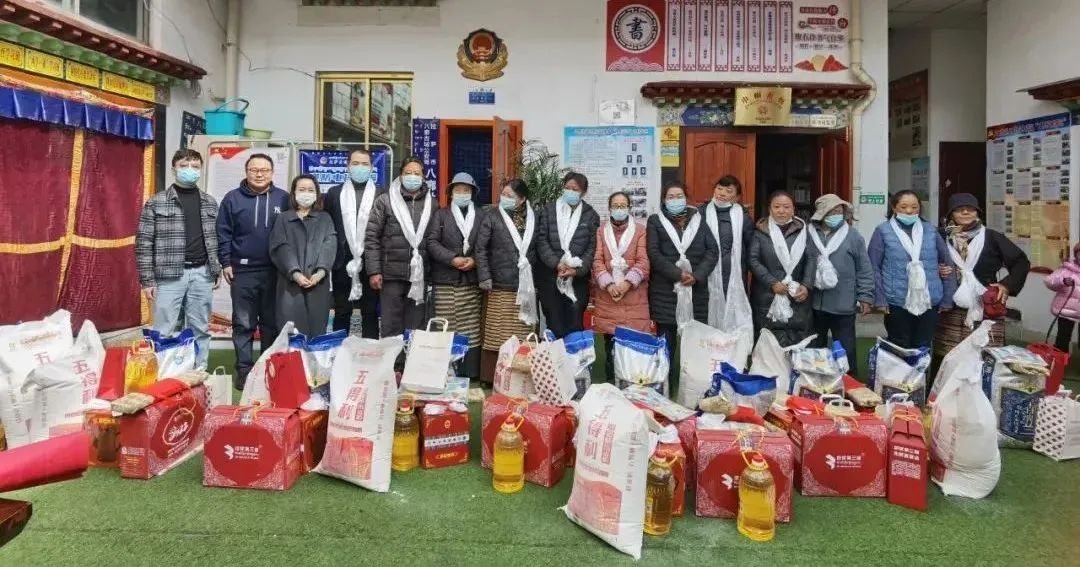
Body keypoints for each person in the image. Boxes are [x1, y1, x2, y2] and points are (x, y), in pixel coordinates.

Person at [135, 148, 220, 370]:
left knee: (200, 328)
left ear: (201, 169)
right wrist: (147, 280)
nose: (189, 170)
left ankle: (199, 371)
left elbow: (215, 239)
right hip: (168, 276)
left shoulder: (210, 202)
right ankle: (162, 373)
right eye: (184, 165)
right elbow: (144, 243)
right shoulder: (156, 202)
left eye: (195, 166)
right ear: (174, 169)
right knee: (164, 329)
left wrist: (216, 268)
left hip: (202, 274)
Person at [217, 153, 290, 388]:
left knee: (271, 324)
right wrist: (226, 262)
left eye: (264, 170)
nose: (259, 174)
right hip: (242, 271)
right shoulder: (232, 199)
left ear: (272, 173)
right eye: (254, 170)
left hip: (275, 272)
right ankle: (244, 371)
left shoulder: (284, 198)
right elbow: (223, 233)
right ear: (246, 172)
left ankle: (267, 369)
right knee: (243, 323)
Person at [934, 193, 1031, 356]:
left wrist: (1006, 285)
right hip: (949, 305)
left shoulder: (993, 237)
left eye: (970, 209)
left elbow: (1021, 262)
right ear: (951, 214)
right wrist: (936, 269)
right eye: (959, 209)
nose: (965, 212)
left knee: (983, 354)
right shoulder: (940, 236)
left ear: (977, 212)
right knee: (947, 355)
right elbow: (924, 261)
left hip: (985, 303)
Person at [647, 181, 719, 385]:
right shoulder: (655, 221)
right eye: (670, 197)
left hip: (696, 290)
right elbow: (654, 253)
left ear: (686, 198)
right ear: (664, 200)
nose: (675, 200)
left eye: (679, 196)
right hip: (665, 291)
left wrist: (697, 275)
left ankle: (693, 385)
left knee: (695, 342)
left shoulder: (699, 219)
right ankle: (665, 384)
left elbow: (712, 251)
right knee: (666, 342)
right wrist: (678, 274)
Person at [868, 190, 956, 350]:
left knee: (923, 345)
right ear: (894, 208)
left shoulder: (931, 230)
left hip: (929, 299)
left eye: (914, 207)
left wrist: (947, 298)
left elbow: (947, 263)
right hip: (896, 300)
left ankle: (922, 368)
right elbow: (873, 267)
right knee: (899, 345)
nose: (909, 211)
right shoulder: (882, 231)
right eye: (904, 206)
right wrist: (879, 299)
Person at [476, 179, 539, 381]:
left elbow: (538, 248)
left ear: (522, 199)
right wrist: (485, 276)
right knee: (497, 332)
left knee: (521, 331)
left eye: (510, 196)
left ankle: (520, 376)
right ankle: (492, 377)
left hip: (525, 286)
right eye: (503, 194)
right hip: (498, 283)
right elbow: (480, 249)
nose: (505, 198)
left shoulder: (534, 219)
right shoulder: (492, 216)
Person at [364, 157, 434, 338]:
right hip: (390, 275)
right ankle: (392, 358)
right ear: (400, 175)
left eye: (417, 173)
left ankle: (410, 357)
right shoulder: (385, 201)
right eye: (408, 173)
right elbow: (371, 237)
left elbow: (434, 240)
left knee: (415, 328)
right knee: (391, 327)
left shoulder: (432, 204)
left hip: (419, 276)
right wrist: (374, 271)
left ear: (423, 177)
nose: (412, 177)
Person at [807, 194, 874, 374]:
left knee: (846, 349)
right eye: (831, 211)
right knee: (815, 348)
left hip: (843, 303)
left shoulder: (853, 236)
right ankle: (816, 382)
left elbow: (864, 268)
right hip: (814, 303)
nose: (836, 214)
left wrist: (865, 296)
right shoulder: (808, 234)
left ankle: (848, 382)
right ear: (821, 213)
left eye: (839, 211)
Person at [425, 172, 483, 378]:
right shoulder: (441, 215)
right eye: (458, 190)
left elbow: (487, 244)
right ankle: (444, 371)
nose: (462, 193)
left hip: (471, 282)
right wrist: (452, 259)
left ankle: (470, 372)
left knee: (471, 328)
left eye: (466, 190)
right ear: (451, 193)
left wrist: (475, 260)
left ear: (472, 193)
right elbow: (431, 242)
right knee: (445, 325)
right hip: (445, 280)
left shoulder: (482, 216)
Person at [592, 191, 651, 381]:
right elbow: (597, 261)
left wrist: (626, 284)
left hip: (634, 297)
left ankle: (632, 387)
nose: (619, 209)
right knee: (610, 346)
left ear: (629, 208)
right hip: (608, 298)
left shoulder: (640, 231)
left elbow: (644, 262)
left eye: (623, 206)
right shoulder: (601, 231)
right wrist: (609, 284)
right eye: (615, 206)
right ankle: (611, 384)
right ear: (609, 209)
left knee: (633, 349)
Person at [324, 148, 383, 338]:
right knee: (342, 310)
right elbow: (328, 226)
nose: (360, 167)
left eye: (365, 164)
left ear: (371, 167)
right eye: (355, 163)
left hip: (371, 261)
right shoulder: (334, 193)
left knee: (370, 311)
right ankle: (339, 350)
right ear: (348, 166)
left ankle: (370, 352)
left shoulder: (381, 193)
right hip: (342, 261)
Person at [269, 175, 337, 337]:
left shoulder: (325, 218)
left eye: (310, 190)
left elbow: (330, 245)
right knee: (291, 331)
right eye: (302, 189)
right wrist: (295, 273)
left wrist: (320, 272)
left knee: (317, 330)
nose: (306, 193)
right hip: (290, 284)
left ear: (317, 194)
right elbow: (280, 247)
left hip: (318, 283)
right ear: (294, 193)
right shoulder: (283, 218)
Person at [535, 172, 601, 338]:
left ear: (584, 192)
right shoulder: (548, 210)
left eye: (575, 189)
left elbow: (592, 247)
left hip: (577, 280)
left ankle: (574, 354)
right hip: (551, 277)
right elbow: (541, 241)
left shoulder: (591, 215)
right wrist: (557, 264)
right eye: (567, 188)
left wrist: (577, 270)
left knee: (574, 324)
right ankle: (555, 354)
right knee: (554, 323)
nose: (570, 192)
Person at [749, 191, 817, 347]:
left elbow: (812, 258)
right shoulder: (760, 231)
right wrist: (772, 283)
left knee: (797, 341)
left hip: (797, 293)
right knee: (769, 342)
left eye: (786, 207)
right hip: (767, 294)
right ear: (770, 209)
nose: (781, 211)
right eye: (777, 207)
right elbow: (753, 260)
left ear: (793, 210)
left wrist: (806, 285)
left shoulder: (803, 231)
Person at [702, 174, 754, 332]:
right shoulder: (700, 213)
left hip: (734, 276)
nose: (722, 193)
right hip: (706, 275)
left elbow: (750, 248)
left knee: (733, 317)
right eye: (719, 188)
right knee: (707, 313)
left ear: (737, 197)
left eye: (729, 191)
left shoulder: (743, 218)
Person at [1045, 242, 1080, 354]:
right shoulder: (1067, 269)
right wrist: (1063, 281)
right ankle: (1059, 362)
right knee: (1062, 341)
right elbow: (1049, 281)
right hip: (1066, 311)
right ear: (1076, 254)